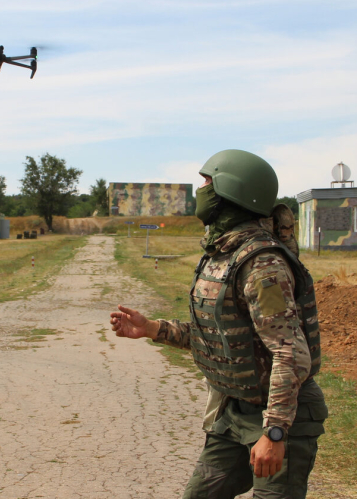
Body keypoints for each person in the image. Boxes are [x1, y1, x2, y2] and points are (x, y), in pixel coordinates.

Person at [110, 150, 326, 499]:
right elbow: (222, 336)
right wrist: (151, 328)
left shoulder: (263, 265)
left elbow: (290, 354)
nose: (201, 189)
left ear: (233, 191)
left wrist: (274, 434)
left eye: (208, 182)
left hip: (281, 416)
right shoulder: (224, 252)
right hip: (234, 411)